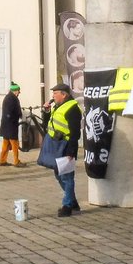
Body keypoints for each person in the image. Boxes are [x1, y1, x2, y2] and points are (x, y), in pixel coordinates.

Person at [41, 84, 81, 218]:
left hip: (66, 146)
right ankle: (73, 201)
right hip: (55, 145)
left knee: (67, 176)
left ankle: (67, 205)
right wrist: (46, 112)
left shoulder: (72, 109)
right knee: (59, 175)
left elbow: (75, 133)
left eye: (55, 93)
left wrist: (71, 152)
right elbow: (48, 125)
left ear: (64, 94)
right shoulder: (58, 106)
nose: (53, 96)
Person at [0, 82, 25, 167]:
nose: (19, 92)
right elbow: (11, 111)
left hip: (6, 125)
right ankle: (16, 161)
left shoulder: (8, 97)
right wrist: (19, 115)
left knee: (5, 143)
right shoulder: (12, 98)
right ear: (15, 91)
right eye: (18, 90)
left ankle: (2, 160)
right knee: (15, 144)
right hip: (11, 125)